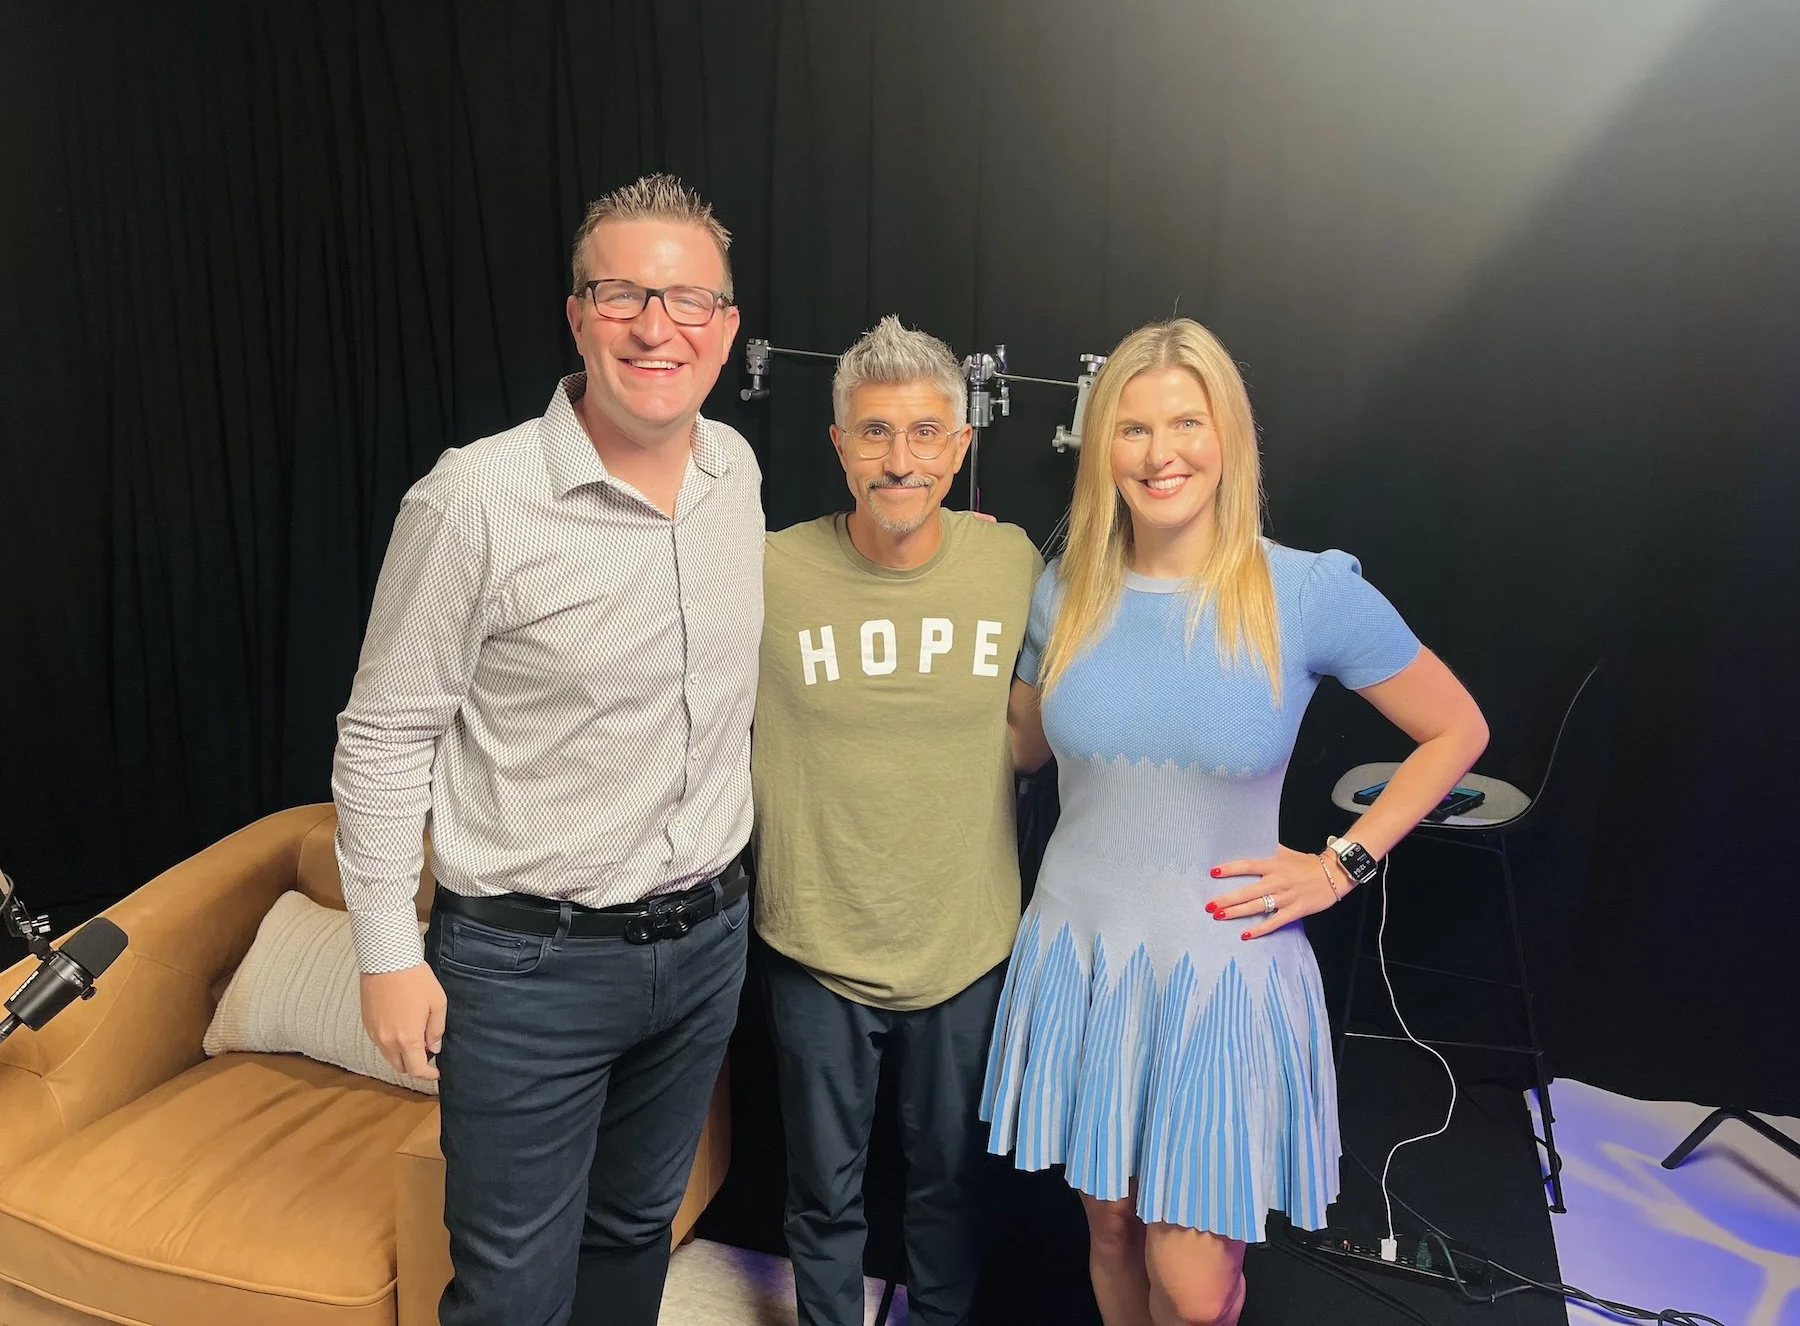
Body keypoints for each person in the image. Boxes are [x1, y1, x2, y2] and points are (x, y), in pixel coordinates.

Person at [981, 318, 1489, 1326]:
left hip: (1219, 978)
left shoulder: (1305, 590)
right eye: (1132, 428)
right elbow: (1019, 748)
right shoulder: (1064, 589)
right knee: (1110, 1235)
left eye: (1186, 422)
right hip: (1081, 958)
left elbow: (1456, 730)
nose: (1159, 452)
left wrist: (1342, 865)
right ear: (1102, 447)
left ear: (1229, 437)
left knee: (1193, 1288)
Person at [332, 174, 760, 1326]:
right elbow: (383, 737)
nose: (656, 327)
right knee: (513, 1293)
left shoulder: (735, 473)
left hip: (705, 944)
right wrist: (386, 950)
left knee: (633, 1240)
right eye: (622, 295)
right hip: (530, 972)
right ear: (578, 316)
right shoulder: (473, 500)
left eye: (687, 300)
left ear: (725, 328)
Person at [753, 316, 1045, 1326]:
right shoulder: (768, 569)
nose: (900, 459)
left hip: (965, 943)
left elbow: (1037, 731)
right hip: (816, 940)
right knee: (821, 1191)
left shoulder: (1010, 563)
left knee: (950, 1185)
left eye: (925, 433)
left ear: (960, 445)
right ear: (839, 444)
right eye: (875, 432)